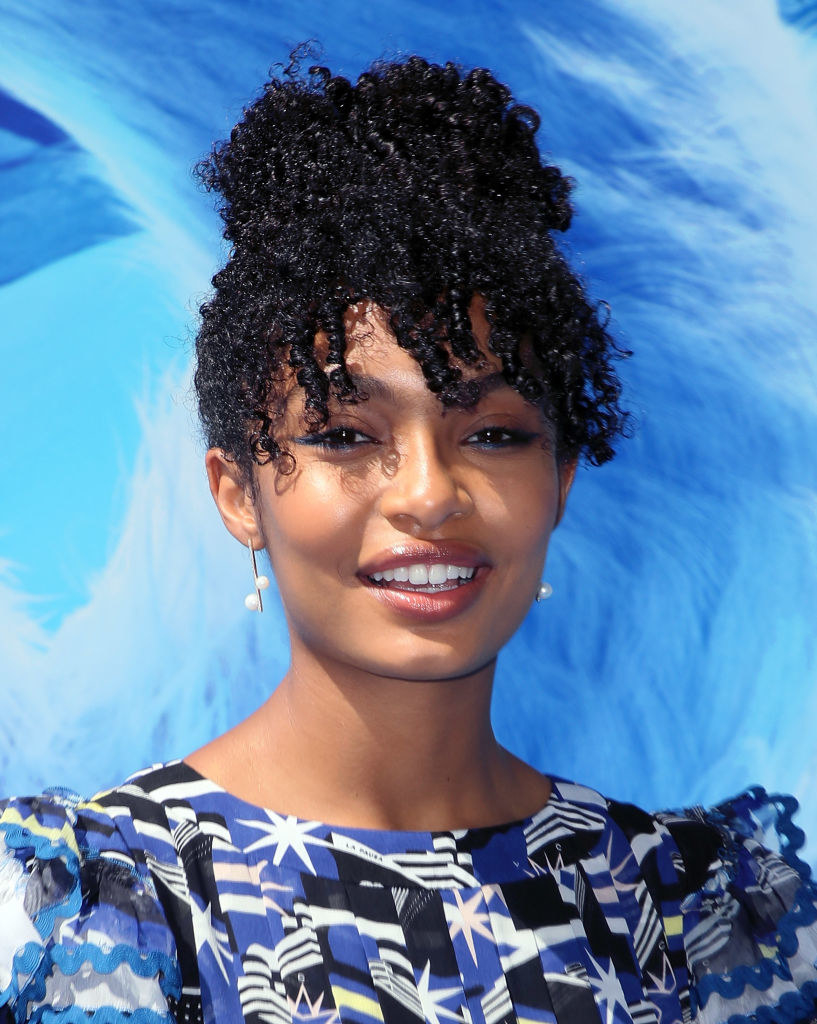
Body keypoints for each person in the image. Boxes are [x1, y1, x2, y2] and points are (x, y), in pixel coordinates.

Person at [1, 53, 816, 1024]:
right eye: (346, 434)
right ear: (236, 493)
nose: (430, 493)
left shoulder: (701, 911)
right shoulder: (97, 905)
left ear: (558, 478)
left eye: (494, 432)